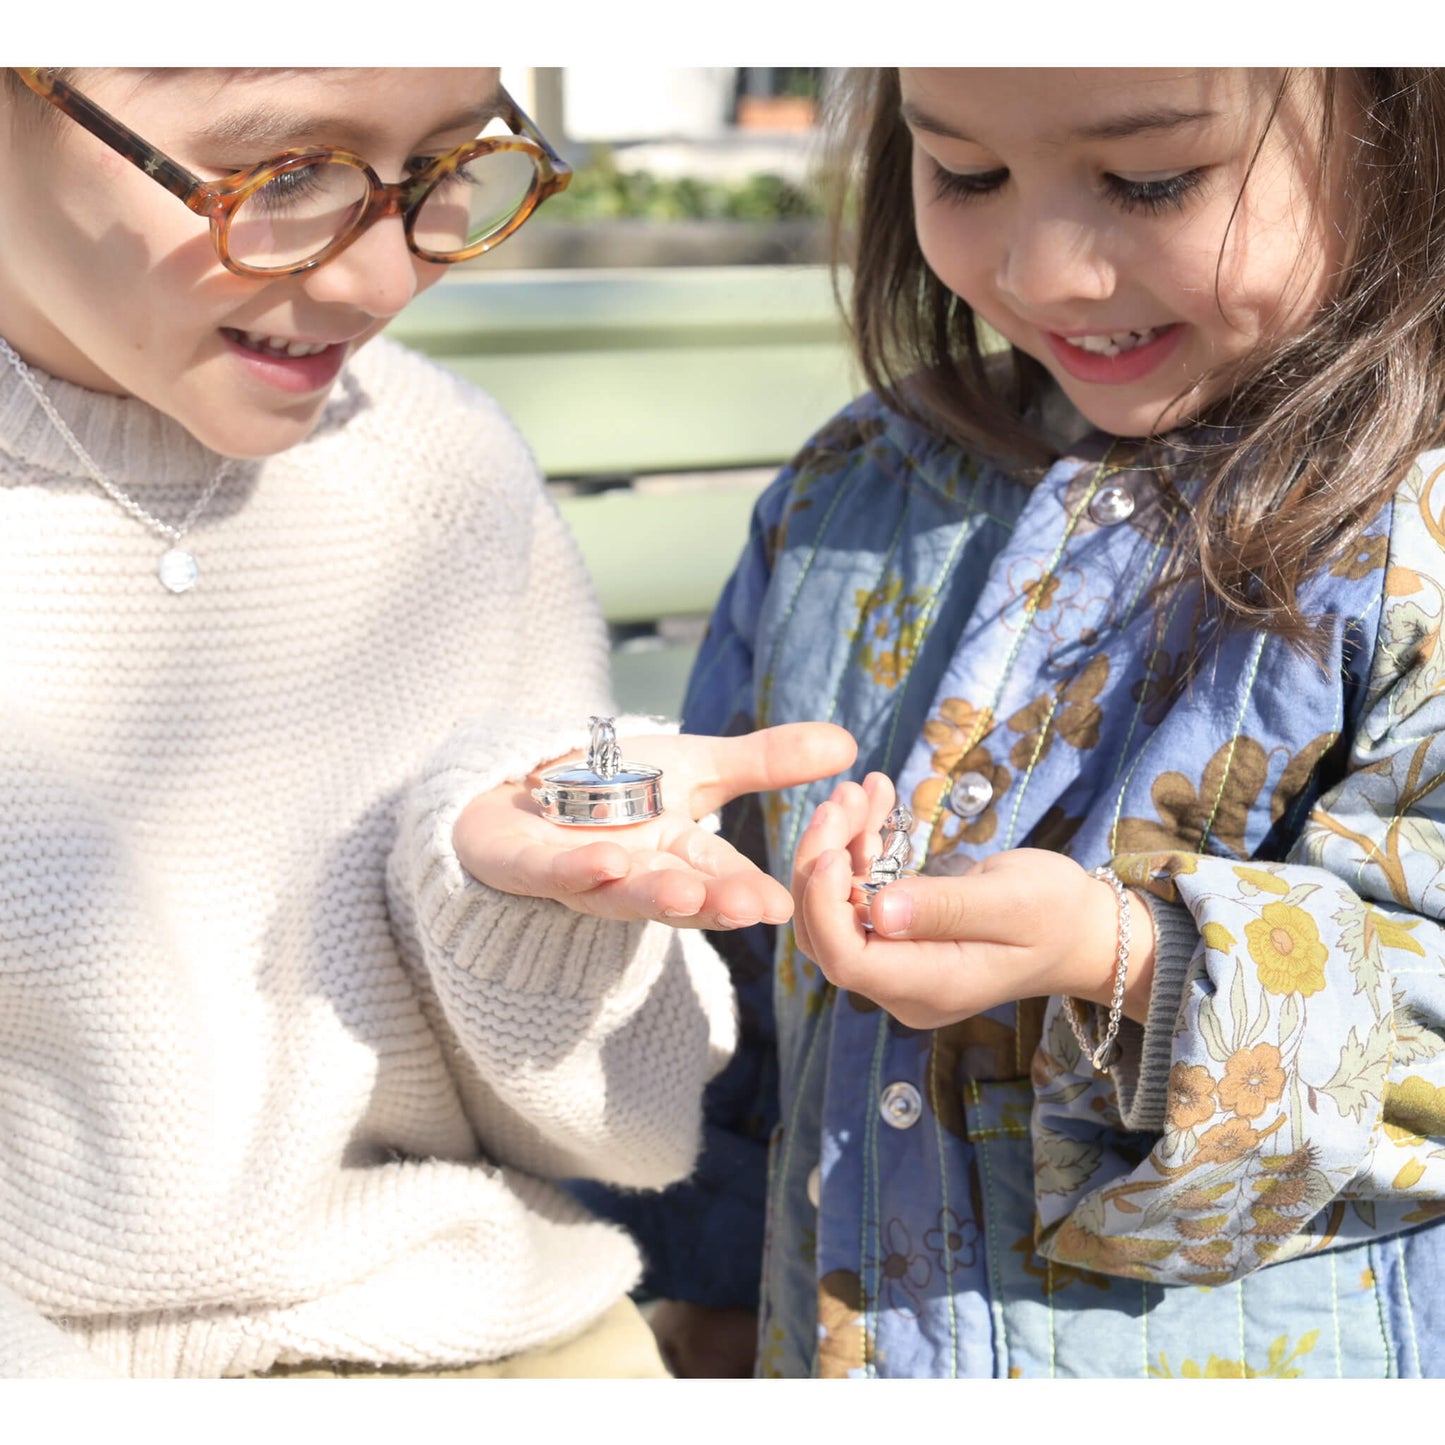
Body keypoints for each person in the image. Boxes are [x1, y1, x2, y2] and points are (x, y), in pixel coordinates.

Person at [0, 65, 855, 1378]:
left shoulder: (440, 475)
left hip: (490, 1326)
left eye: (446, 172)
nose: (383, 282)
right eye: (283, 178)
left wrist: (519, 908)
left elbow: (624, 1134)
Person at [603, 68, 1445, 1378]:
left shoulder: (1414, 539)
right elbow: (735, 1002)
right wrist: (712, 1289)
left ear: (1397, 122)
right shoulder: (852, 492)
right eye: (967, 174)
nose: (1046, 269)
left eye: (1149, 181)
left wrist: (1130, 959)